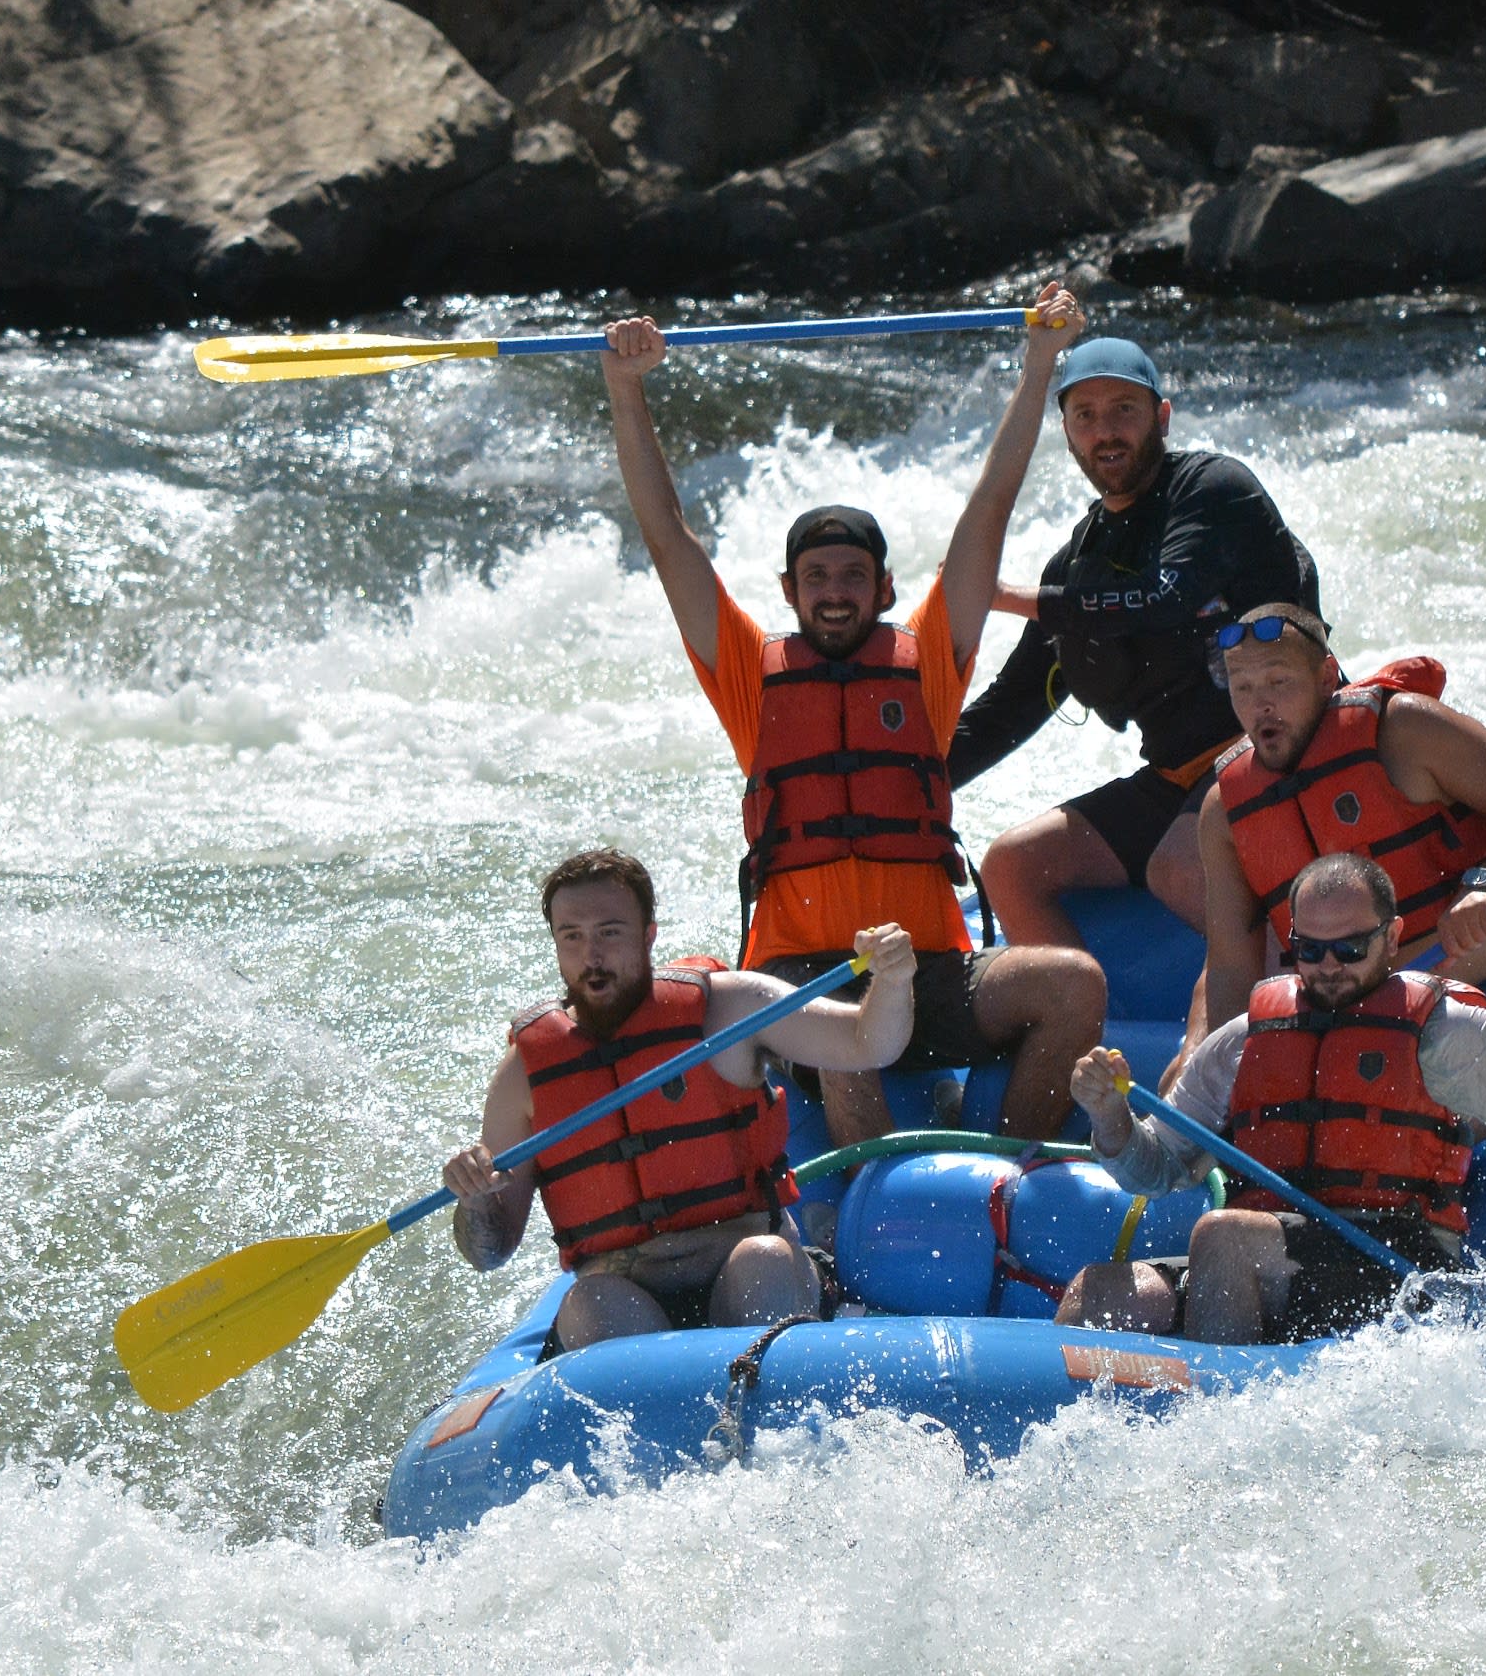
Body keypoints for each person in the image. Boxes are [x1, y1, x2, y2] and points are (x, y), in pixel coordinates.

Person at [599, 287, 1105, 1148]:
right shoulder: (751, 681)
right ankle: (859, 1229)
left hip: (933, 969)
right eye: (818, 578)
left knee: (1074, 985)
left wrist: (1040, 367)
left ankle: (1011, 1175)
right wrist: (625, 387)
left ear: (884, 591)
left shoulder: (930, 665)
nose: (835, 592)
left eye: (852, 577)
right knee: (842, 1032)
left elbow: (989, 513)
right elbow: (667, 536)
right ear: (790, 593)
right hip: (801, 979)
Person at [1054, 853, 1486, 1345]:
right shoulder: (1246, 1040)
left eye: (1350, 947)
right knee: (1094, 1294)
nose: (1329, 965)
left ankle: (1220, 1431)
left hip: (1397, 1266)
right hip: (1273, 1260)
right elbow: (1157, 1168)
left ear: (1391, 939)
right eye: (1311, 949)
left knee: (1224, 1237)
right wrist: (1110, 1115)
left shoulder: (1448, 1034)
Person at [442, 849, 919, 1350]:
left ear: (648, 933)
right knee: (593, 1302)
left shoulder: (729, 1010)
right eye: (572, 937)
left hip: (743, 1261)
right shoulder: (524, 1076)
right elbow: (490, 1252)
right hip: (625, 1295)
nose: (592, 956)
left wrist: (892, 980)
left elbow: (871, 1042)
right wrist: (476, 1201)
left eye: (610, 932)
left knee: (766, 1261)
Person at [947, 336, 1322, 950]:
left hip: (1277, 750)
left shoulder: (1214, 490)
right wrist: (910, 785)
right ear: (1067, 435)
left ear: (1162, 417)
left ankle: (1320, 985)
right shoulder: (1077, 563)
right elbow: (1008, 710)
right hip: (1177, 780)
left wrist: (1005, 597)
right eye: (1086, 416)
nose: (1107, 431)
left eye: (1125, 409)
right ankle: (1075, 1026)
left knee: (1176, 864)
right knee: (1012, 864)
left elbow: (1165, 597)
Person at [1188, 602, 1486, 1049]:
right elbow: (1230, 973)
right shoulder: (1224, 813)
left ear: (1325, 677)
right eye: (1243, 688)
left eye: (1279, 682)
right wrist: (1219, 1077)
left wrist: (1484, 883)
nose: (1261, 706)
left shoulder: (1404, 730)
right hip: (1354, 1035)